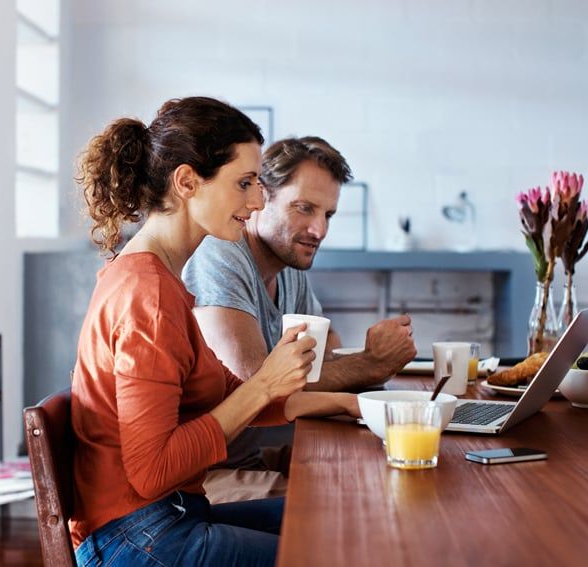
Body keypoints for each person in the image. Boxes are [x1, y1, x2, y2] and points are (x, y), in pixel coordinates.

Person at [70, 97, 361, 567]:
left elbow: (229, 397)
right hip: (137, 538)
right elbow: (152, 471)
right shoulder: (150, 294)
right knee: (332, 551)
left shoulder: (161, 279)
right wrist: (267, 380)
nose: (258, 200)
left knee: (340, 518)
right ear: (186, 182)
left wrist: (350, 404)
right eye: (244, 183)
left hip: (169, 518)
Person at [183, 136, 417, 503]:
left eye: (328, 215)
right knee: (343, 505)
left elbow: (327, 354)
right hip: (205, 475)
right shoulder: (220, 255)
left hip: (254, 455)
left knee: (381, 475)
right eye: (304, 208)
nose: (319, 230)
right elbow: (255, 383)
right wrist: (371, 365)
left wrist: (364, 370)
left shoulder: (288, 268)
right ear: (260, 197)